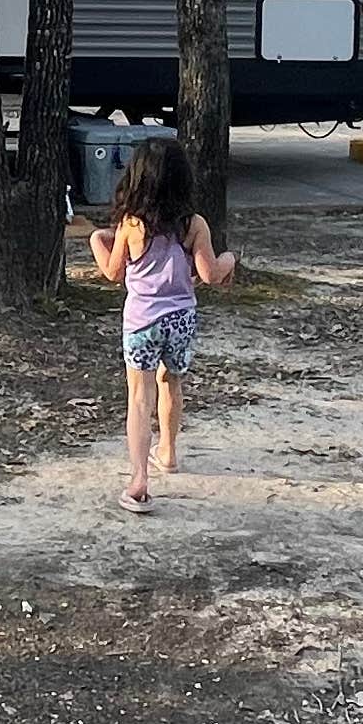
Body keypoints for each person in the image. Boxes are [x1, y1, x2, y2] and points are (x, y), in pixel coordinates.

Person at [86, 140, 235, 513]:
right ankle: (167, 451)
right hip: (181, 318)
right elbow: (210, 274)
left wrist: (96, 239)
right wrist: (231, 259)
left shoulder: (131, 223)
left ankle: (138, 479)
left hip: (141, 320)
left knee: (140, 395)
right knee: (172, 382)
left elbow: (112, 272)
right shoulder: (193, 224)